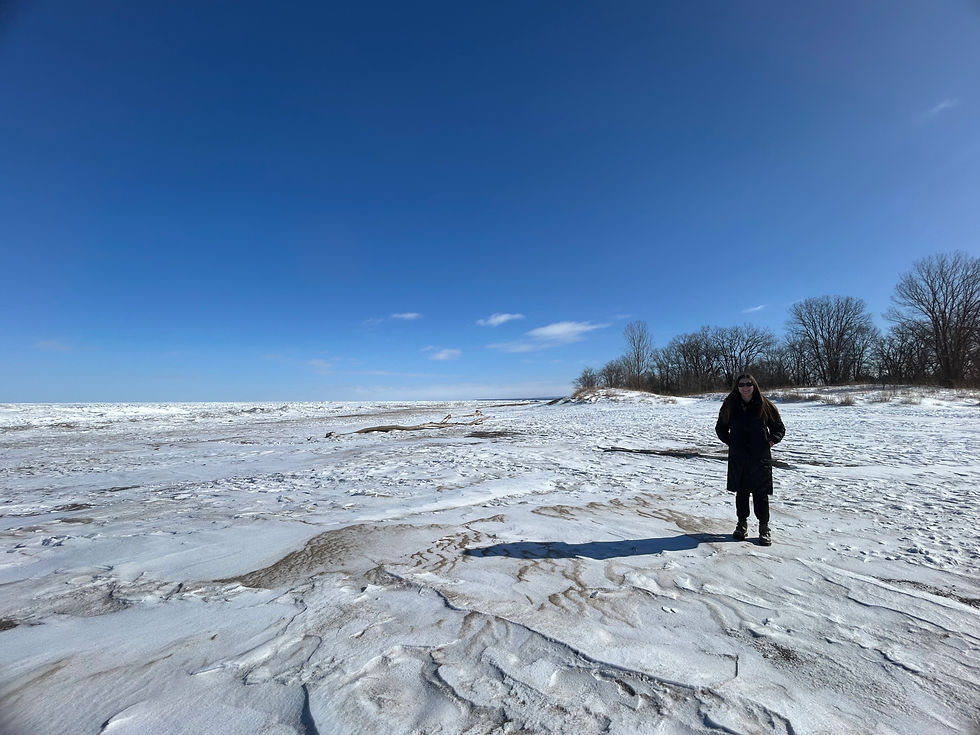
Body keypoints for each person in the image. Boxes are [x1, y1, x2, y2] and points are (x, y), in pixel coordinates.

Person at [715, 374, 786, 545]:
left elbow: (779, 428)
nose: (745, 387)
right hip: (739, 457)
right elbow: (720, 428)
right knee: (742, 492)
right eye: (741, 384)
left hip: (759, 457)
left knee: (761, 493)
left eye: (748, 384)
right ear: (737, 387)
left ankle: (764, 528)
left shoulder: (765, 405)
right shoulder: (730, 405)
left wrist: (771, 441)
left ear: (754, 386)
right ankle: (741, 525)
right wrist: (731, 442)